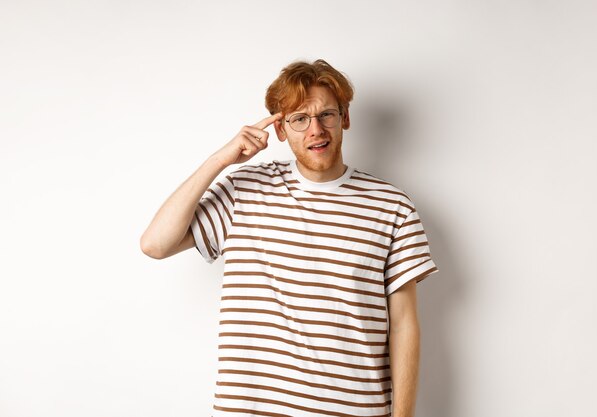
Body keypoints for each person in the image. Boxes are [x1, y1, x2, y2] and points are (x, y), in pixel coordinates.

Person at [140, 59, 439, 417]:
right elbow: (155, 244)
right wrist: (220, 160)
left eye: (327, 115)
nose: (316, 130)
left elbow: (404, 324)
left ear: (345, 118)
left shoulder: (392, 206)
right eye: (300, 119)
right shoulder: (245, 189)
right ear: (281, 130)